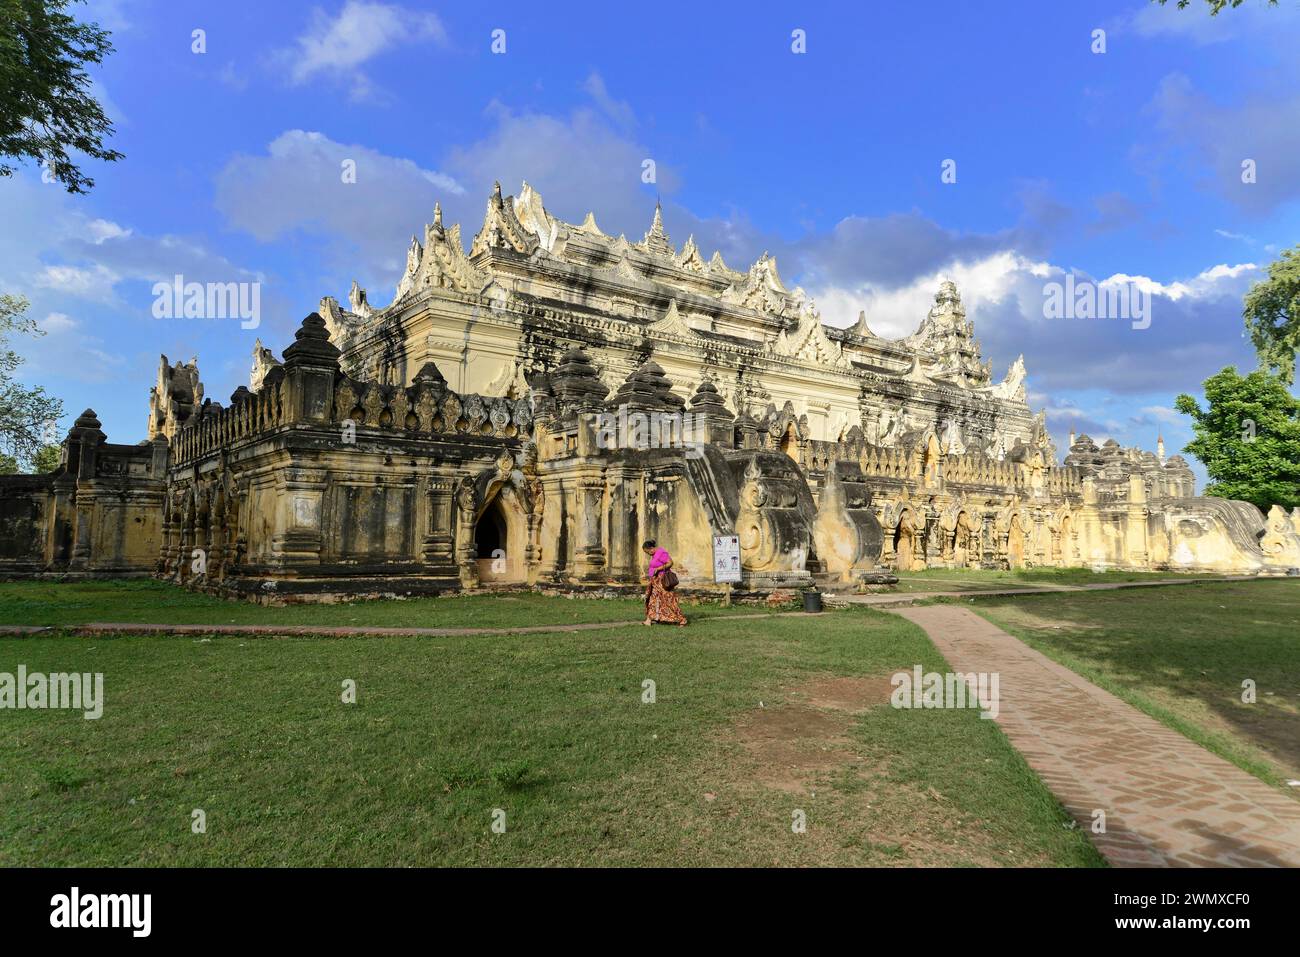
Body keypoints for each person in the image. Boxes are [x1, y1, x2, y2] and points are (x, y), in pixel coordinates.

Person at [642, 539, 686, 627]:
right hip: (655, 581)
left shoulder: (661, 552)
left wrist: (658, 569)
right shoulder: (654, 555)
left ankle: (682, 620)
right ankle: (649, 620)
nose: (648, 554)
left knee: (669, 600)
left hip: (662, 581)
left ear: (651, 548)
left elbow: (670, 563)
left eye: (647, 552)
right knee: (652, 600)